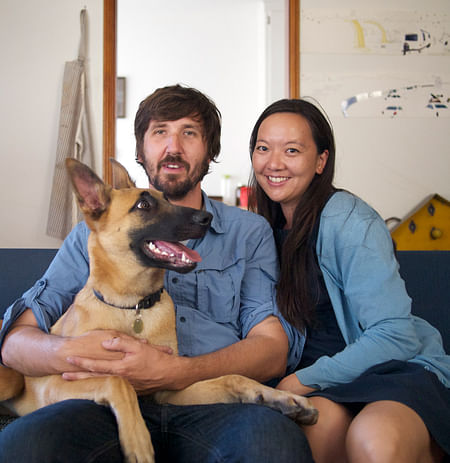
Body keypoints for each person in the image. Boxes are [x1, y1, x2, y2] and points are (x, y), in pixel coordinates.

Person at [0, 85, 313, 462]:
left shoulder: (249, 232)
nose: (174, 147)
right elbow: (15, 343)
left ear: (210, 150)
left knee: (273, 445)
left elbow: (273, 349)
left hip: (207, 403)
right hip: (100, 410)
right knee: (27, 446)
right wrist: (70, 351)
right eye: (160, 132)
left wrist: (178, 371)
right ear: (140, 150)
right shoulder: (98, 232)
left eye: (189, 133)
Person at [248, 98, 450, 463]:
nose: (273, 163)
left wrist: (300, 381)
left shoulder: (350, 220)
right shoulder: (262, 229)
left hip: (390, 368)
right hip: (325, 384)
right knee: (307, 437)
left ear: (321, 161)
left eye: (292, 150)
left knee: (373, 442)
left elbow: (394, 334)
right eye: (263, 148)